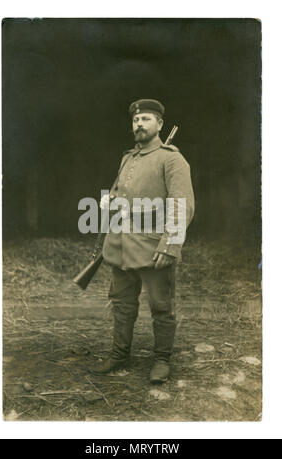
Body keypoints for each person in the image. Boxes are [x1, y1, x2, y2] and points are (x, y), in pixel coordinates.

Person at [90, 99, 195, 383]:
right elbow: (120, 193)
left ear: (159, 124)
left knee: (161, 306)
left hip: (153, 247)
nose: (139, 124)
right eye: (136, 120)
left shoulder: (172, 159)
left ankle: (161, 360)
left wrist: (170, 244)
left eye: (146, 119)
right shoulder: (129, 157)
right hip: (121, 244)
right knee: (122, 303)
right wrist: (109, 200)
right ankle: (119, 353)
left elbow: (181, 204)